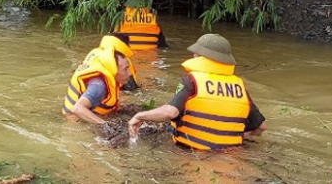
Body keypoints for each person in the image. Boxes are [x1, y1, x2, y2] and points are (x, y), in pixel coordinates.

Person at [128, 34, 267, 150]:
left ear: (203, 57)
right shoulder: (240, 87)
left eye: (196, 53)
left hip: (191, 153)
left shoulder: (191, 81)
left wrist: (140, 116)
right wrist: (243, 136)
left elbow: (171, 112)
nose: (193, 55)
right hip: (231, 155)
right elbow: (262, 126)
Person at [62, 34, 137, 124]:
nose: (130, 73)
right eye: (126, 69)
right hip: (76, 122)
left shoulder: (102, 62)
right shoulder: (99, 86)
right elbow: (77, 109)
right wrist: (105, 124)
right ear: (114, 69)